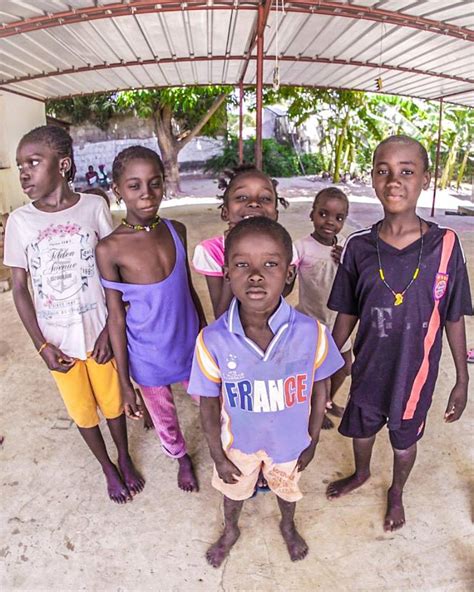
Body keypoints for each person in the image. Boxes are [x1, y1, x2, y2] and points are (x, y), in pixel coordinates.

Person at [326, 135, 471, 531]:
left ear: (425, 178)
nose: (394, 181)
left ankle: (397, 491)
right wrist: (323, 360)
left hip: (415, 371)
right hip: (369, 366)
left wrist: (462, 377)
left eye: (407, 171)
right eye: (383, 171)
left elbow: (454, 314)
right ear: (372, 179)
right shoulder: (358, 247)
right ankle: (362, 473)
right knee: (362, 427)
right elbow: (347, 313)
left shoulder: (446, 245)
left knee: (404, 440)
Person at [188, 217, 344, 567]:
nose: (256, 275)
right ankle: (231, 529)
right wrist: (216, 453)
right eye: (242, 264)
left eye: (270, 264)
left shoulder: (311, 332)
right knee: (233, 493)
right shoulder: (212, 340)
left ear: (289, 274)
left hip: (290, 442)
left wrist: (314, 437)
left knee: (287, 489)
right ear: (227, 273)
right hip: (237, 444)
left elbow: (321, 387)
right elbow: (209, 404)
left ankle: (287, 526)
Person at [3, 125, 144, 504]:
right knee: (83, 410)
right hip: (58, 342)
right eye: (20, 166)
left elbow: (113, 269)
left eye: (33, 162)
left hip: (98, 330)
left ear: (63, 164)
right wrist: (41, 345)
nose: (24, 173)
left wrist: (109, 330)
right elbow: (19, 288)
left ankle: (125, 457)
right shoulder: (20, 222)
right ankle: (107, 467)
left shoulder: (93, 207)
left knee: (113, 403)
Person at [96, 145, 206, 492]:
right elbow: (115, 316)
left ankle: (224, 451)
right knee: (164, 417)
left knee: (212, 403)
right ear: (117, 190)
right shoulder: (110, 248)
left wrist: (205, 335)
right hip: (147, 355)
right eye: (134, 186)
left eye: (154, 183)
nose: (147, 193)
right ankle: (181, 457)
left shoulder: (177, 230)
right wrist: (126, 382)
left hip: (188, 345)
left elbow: (188, 288)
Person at [192, 164, 294, 319]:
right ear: (225, 212)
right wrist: (230, 253)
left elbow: (282, 293)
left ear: (275, 214)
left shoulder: (285, 248)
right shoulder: (211, 251)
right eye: (241, 197)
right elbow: (222, 314)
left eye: (265, 198)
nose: (254, 203)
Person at [295, 187, 352, 429]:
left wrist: (348, 263)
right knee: (317, 373)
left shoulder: (346, 249)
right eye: (323, 214)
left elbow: (356, 284)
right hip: (311, 321)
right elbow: (286, 274)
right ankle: (313, 408)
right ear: (312, 215)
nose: (330, 222)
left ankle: (327, 401)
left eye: (338, 218)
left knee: (345, 366)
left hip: (337, 322)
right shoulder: (302, 247)